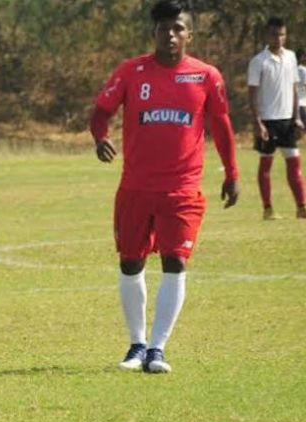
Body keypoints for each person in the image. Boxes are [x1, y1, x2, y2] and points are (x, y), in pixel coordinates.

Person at [90, 0, 240, 374]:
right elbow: (100, 111)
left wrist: (232, 173)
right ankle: (136, 344)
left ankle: (158, 349)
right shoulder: (131, 71)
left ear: (190, 34)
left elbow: (221, 126)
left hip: (183, 190)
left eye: (177, 28)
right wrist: (99, 137)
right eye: (163, 28)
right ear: (154, 32)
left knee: (176, 261)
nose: (170, 35)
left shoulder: (206, 76)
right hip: (136, 188)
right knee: (131, 262)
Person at [246, 17, 305, 220]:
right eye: (274, 34)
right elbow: (252, 94)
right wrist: (257, 122)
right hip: (268, 121)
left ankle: (301, 207)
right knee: (266, 166)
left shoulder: (290, 57)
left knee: (294, 163)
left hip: (287, 120)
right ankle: (268, 208)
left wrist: (297, 117)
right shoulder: (258, 62)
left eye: (281, 34)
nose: (278, 38)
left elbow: (294, 88)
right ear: (266, 35)